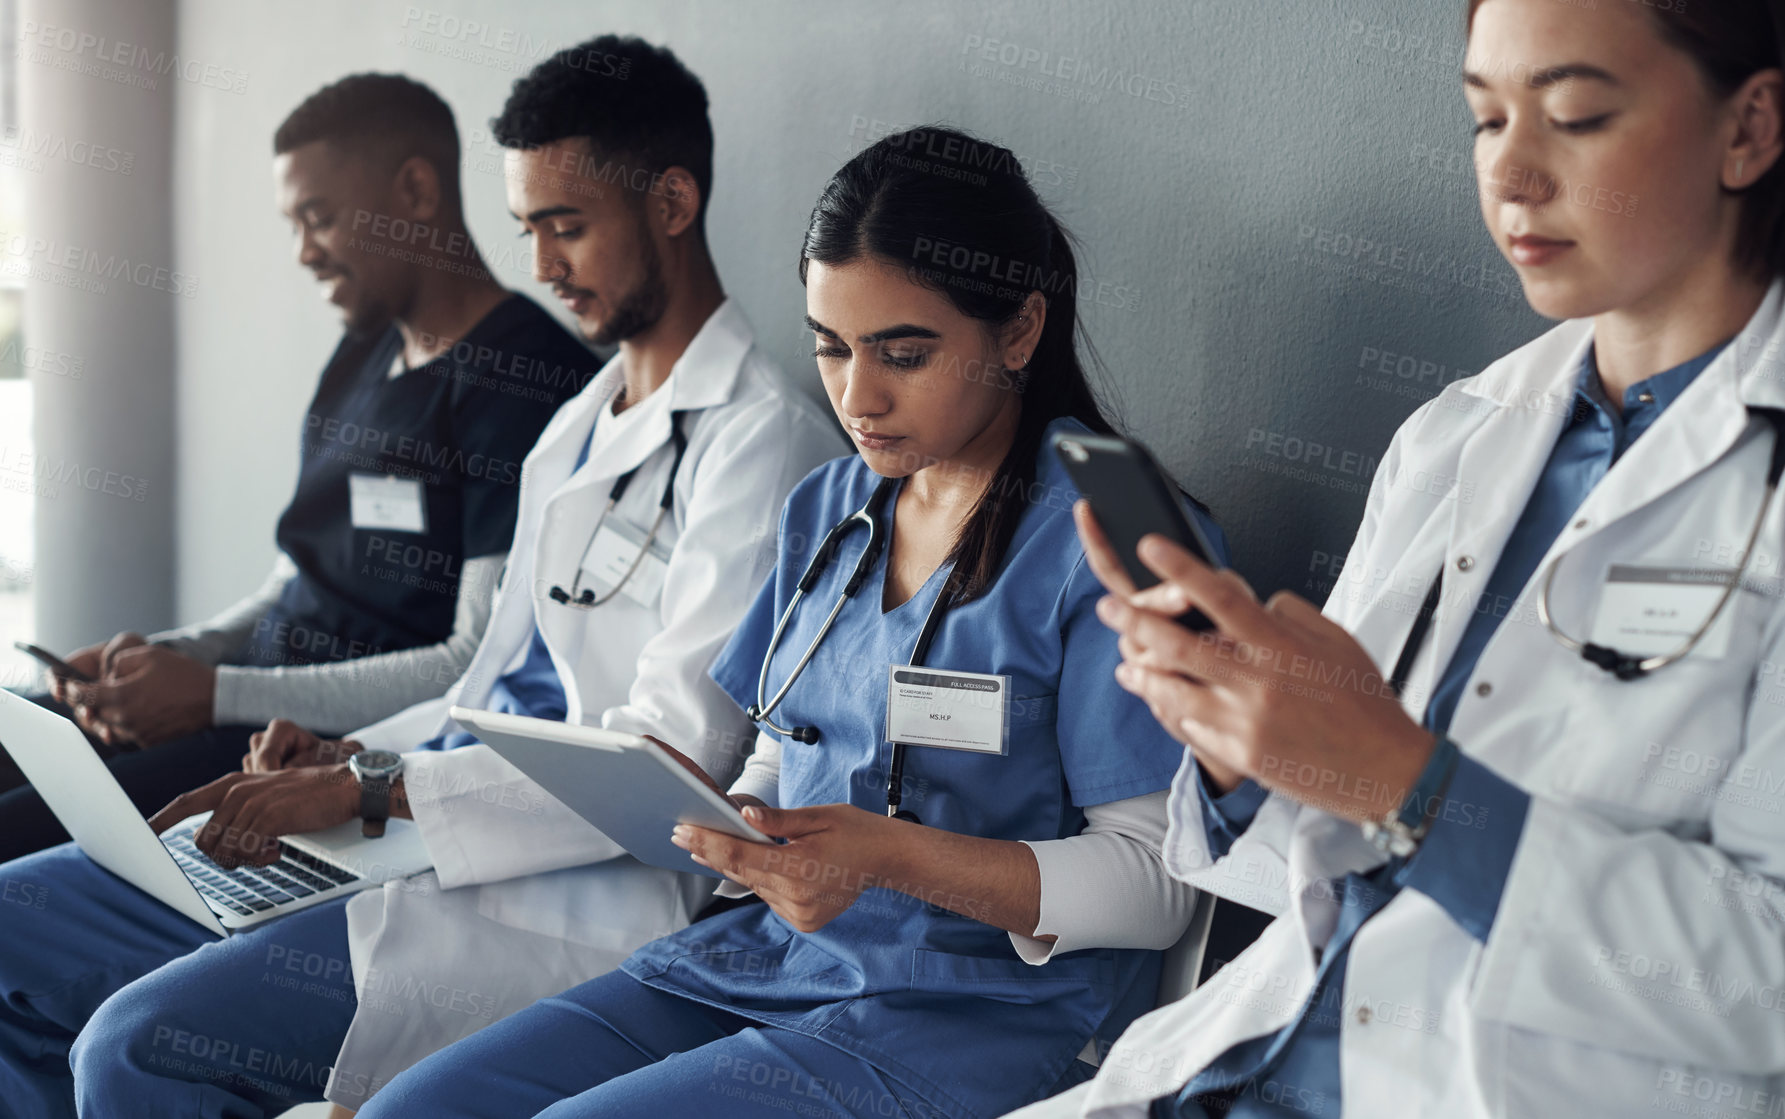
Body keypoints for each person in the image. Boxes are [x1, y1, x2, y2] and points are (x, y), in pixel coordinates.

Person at [0, 37, 841, 1118]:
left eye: (568, 226)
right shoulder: (577, 431)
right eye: (529, 226)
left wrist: (371, 786)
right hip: (408, 823)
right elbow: (486, 688)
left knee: (137, 1048)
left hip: (562, 890)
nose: (541, 265)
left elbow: (668, 769)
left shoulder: (761, 444)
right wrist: (361, 749)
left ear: (672, 201)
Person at [352, 124, 1229, 1119]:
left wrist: (881, 856)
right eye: (831, 347)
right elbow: (792, 748)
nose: (858, 397)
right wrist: (751, 829)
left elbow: (1158, 892)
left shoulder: (1114, 535)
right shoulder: (831, 507)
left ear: (1020, 331)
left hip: (979, 1015)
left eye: (905, 353)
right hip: (771, 962)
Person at [1010, 1, 1785, 1116]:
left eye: (1574, 114)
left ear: (1748, 129)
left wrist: (1410, 786)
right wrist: (1245, 748)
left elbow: (1761, 980)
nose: (1511, 174)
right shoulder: (1459, 435)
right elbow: (1321, 866)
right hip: (1250, 1062)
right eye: (1485, 118)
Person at [0, 73, 594, 861]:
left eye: (318, 219)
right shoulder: (362, 352)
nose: (305, 253)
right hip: (235, 695)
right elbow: (292, 585)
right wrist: (160, 661)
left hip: (300, 750)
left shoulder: (526, 384)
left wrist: (211, 694)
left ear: (415, 190)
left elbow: (474, 661)